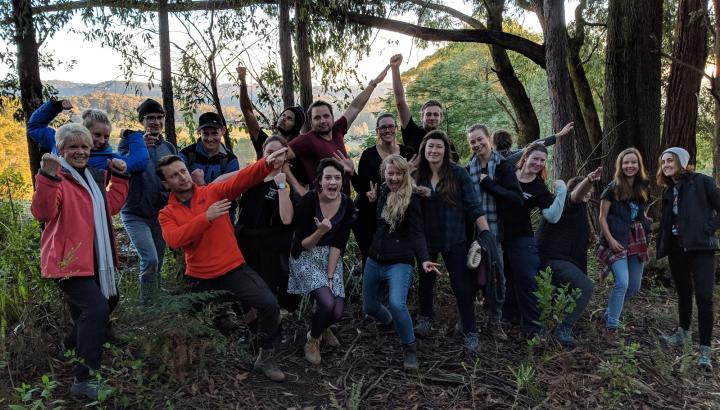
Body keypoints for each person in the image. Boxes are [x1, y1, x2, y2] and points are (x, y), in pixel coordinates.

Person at [157, 147, 289, 382]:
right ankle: (185, 361)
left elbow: (241, 178)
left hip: (232, 269)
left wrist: (266, 163)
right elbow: (174, 239)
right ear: (166, 183)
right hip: (199, 276)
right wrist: (206, 217)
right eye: (174, 175)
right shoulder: (167, 213)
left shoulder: (213, 192)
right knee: (180, 320)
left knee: (269, 305)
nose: (182, 177)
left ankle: (265, 356)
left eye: (183, 171)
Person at [31, 124, 129, 400]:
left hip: (95, 259)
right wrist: (47, 178)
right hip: (67, 262)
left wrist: (120, 178)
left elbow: (109, 207)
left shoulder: (89, 178)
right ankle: (84, 380)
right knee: (96, 310)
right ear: (60, 149)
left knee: (107, 302)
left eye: (84, 146)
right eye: (73, 146)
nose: (80, 151)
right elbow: (43, 212)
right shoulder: (60, 177)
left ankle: (66, 346)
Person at [412, 130, 492, 351]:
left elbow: (473, 205)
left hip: (454, 237)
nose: (434, 150)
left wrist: (486, 234)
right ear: (424, 150)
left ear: (445, 150)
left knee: (461, 286)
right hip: (426, 240)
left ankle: (470, 330)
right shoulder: (417, 174)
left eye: (439, 146)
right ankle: (425, 318)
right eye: (430, 147)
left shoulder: (458, 174)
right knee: (426, 282)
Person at [362, 154, 439, 370]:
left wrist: (424, 259)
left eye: (398, 174)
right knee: (370, 306)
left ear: (405, 175)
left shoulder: (411, 199)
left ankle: (409, 347)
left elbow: (417, 233)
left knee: (397, 304)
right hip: (374, 259)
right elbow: (378, 224)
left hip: (400, 262)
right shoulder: (383, 192)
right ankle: (389, 323)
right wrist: (371, 201)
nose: (394, 178)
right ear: (384, 174)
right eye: (390, 173)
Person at [656, 147, 720, 370]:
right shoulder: (670, 189)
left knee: (704, 296)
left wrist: (707, 229)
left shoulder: (702, 182)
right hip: (677, 250)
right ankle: (683, 333)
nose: (666, 165)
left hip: (701, 249)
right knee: (683, 292)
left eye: (670, 160)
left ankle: (704, 350)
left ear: (682, 161)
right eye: (663, 161)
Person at [288, 158, 356, 365]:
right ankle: (312, 339)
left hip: (330, 257)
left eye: (337, 178)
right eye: (328, 178)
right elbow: (303, 243)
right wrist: (321, 230)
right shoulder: (309, 201)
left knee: (336, 312)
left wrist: (330, 276)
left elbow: (339, 242)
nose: (333, 182)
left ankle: (322, 326)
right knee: (327, 303)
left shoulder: (346, 203)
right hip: (306, 256)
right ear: (320, 181)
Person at [287, 66, 390, 194]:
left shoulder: (337, 129)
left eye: (326, 116)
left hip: (344, 204)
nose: (323, 120)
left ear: (332, 117)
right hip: (322, 206)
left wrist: (374, 83)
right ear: (311, 122)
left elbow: (355, 107)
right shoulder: (307, 140)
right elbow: (279, 158)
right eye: (317, 118)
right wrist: (298, 188)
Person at [502, 143, 567, 338]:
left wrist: (562, 191)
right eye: (535, 158)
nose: (538, 163)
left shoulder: (538, 187)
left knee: (527, 279)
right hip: (498, 236)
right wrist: (557, 137)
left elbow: (552, 216)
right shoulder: (507, 173)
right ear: (526, 157)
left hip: (521, 239)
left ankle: (534, 326)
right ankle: (508, 317)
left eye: (542, 160)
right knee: (504, 278)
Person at [466, 124, 523, 340]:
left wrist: (490, 185)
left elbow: (516, 199)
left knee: (497, 277)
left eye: (480, 139)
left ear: (489, 138)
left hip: (496, 232)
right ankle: (467, 319)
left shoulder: (504, 167)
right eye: (472, 142)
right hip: (473, 233)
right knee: (470, 276)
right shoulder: (467, 168)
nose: (477, 144)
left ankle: (495, 321)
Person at [536, 167, 602, 347]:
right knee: (585, 286)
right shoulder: (567, 201)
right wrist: (589, 179)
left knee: (560, 292)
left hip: (559, 260)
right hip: (553, 260)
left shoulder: (574, 210)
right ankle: (563, 329)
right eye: (587, 192)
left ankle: (545, 326)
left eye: (590, 193)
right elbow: (576, 196)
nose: (588, 196)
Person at [119, 99, 177, 303]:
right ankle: (147, 307)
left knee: (158, 261)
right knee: (150, 259)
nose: (155, 122)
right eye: (150, 118)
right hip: (135, 213)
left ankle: (156, 301)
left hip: (160, 214)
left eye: (159, 118)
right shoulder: (130, 144)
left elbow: (175, 175)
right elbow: (120, 165)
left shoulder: (168, 147)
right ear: (142, 121)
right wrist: (138, 147)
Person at [235, 135, 301, 314]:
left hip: (269, 247)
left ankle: (270, 332)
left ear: (285, 156)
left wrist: (280, 185)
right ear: (263, 154)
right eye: (270, 152)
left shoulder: (285, 184)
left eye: (279, 153)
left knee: (266, 291)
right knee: (244, 290)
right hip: (244, 242)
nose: (274, 157)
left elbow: (287, 219)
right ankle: (251, 330)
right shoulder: (251, 177)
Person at [596, 147, 651, 343]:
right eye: (626, 162)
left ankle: (610, 312)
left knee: (634, 287)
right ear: (620, 165)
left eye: (633, 162)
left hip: (637, 240)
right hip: (617, 240)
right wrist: (610, 240)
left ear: (639, 165)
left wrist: (645, 222)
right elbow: (602, 218)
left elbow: (640, 211)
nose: (630, 166)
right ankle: (611, 327)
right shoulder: (612, 188)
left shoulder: (643, 186)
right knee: (622, 283)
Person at [351, 113, 415, 265]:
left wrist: (409, 173)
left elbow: (413, 184)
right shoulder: (368, 155)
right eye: (383, 127)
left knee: (397, 257)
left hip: (399, 213)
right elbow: (363, 187)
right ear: (377, 130)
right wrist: (352, 173)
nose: (387, 130)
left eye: (391, 126)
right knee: (371, 257)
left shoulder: (408, 153)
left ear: (396, 129)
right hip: (370, 214)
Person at [26, 98, 149, 172]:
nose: (101, 140)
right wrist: (55, 106)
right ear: (84, 130)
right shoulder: (60, 141)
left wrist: (133, 135)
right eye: (97, 135)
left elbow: (138, 162)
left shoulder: (108, 159)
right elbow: (34, 127)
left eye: (106, 136)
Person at [237, 65, 308, 192]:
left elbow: (303, 186)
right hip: (258, 199)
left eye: (289, 118)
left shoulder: (298, 154)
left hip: (285, 204)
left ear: (296, 126)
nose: (283, 119)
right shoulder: (264, 141)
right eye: (283, 115)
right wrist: (243, 82)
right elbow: (247, 111)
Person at [389, 54, 459, 162]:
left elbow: (456, 169)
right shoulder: (412, 132)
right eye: (428, 114)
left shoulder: (446, 142)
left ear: (441, 118)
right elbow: (400, 102)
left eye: (436, 115)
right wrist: (395, 69)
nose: (432, 117)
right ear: (422, 117)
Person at [179, 112, 239, 186]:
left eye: (214, 133)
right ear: (198, 131)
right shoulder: (186, 154)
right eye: (205, 134)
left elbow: (231, 191)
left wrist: (201, 184)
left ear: (223, 131)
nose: (210, 139)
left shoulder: (230, 160)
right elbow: (179, 186)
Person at [492, 123, 575, 162]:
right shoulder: (495, 158)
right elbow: (509, 160)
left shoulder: (508, 153)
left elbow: (529, 146)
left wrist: (559, 134)